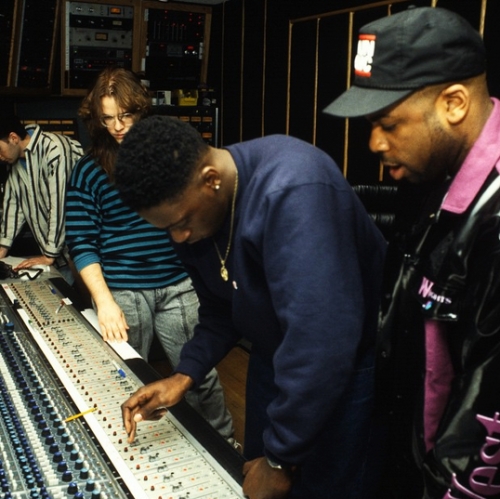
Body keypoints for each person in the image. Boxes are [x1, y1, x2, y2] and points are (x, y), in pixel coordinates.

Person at [113, 114, 387, 499]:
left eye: (182, 222)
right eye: (166, 229)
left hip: (341, 372)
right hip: (275, 362)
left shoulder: (293, 187)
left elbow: (321, 342)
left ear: (211, 179)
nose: (179, 237)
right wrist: (184, 376)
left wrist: (279, 460)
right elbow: (221, 308)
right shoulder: (194, 217)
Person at [324, 6, 500, 499]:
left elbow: (485, 429)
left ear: (454, 103)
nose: (374, 143)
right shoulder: (433, 169)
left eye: (388, 123)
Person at [64, 67, 234, 441]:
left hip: (178, 284)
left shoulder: (171, 157)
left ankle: (225, 444)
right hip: (124, 291)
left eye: (124, 116)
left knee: (199, 377)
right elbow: (82, 241)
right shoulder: (88, 170)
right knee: (121, 375)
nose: (117, 127)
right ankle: (121, 452)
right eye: (108, 118)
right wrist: (104, 301)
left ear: (141, 110)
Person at [0, 114, 83, 282]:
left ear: (13, 138)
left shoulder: (55, 149)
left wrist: (49, 254)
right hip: (58, 258)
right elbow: (13, 206)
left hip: (81, 250)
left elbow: (59, 204)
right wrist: (2, 247)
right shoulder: (15, 163)